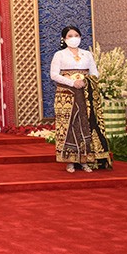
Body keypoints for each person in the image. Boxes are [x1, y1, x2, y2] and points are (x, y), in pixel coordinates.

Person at [50, 26, 112, 172]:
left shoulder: (87, 54)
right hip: (66, 95)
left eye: (76, 35)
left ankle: (85, 160)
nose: (74, 38)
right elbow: (54, 75)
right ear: (64, 39)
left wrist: (86, 81)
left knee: (85, 124)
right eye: (70, 36)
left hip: (85, 94)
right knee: (70, 124)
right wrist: (72, 82)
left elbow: (94, 73)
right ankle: (70, 161)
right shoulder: (59, 55)